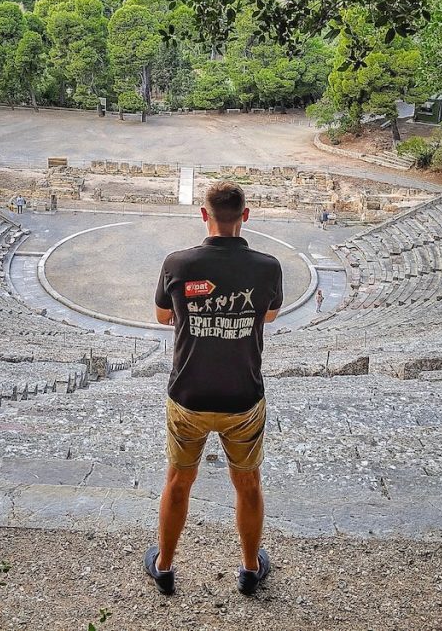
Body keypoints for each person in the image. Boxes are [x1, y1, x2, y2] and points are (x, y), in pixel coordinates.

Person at [147, 181, 283, 597]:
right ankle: (247, 569)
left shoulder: (178, 263)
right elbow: (271, 315)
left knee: (178, 480)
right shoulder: (267, 266)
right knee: (248, 482)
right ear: (246, 216)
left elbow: (160, 316)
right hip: (243, 395)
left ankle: (165, 567)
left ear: (204, 215)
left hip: (188, 394)